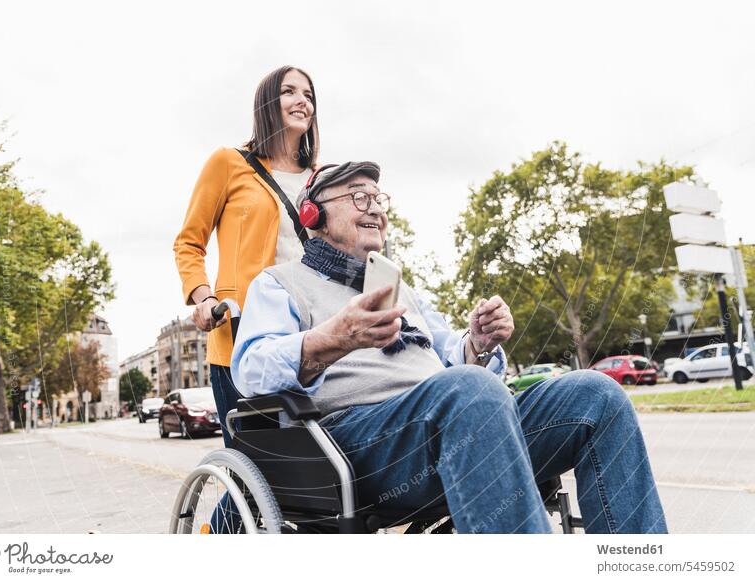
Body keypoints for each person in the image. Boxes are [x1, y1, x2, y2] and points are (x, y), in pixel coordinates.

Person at [230, 161, 669, 534]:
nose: (376, 209)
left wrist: (477, 343)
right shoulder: (279, 283)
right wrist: (333, 337)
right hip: (355, 445)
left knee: (596, 395)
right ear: (312, 215)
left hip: (455, 423)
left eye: (379, 199)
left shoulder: (404, 290)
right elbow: (250, 370)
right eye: (358, 197)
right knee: (467, 391)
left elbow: (449, 356)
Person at [173, 66, 320, 444]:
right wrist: (204, 297)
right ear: (268, 102)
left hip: (311, 337)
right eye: (289, 91)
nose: (302, 101)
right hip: (244, 336)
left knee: (312, 474)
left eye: (308, 95)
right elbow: (189, 242)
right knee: (257, 468)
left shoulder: (322, 178)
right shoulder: (229, 164)